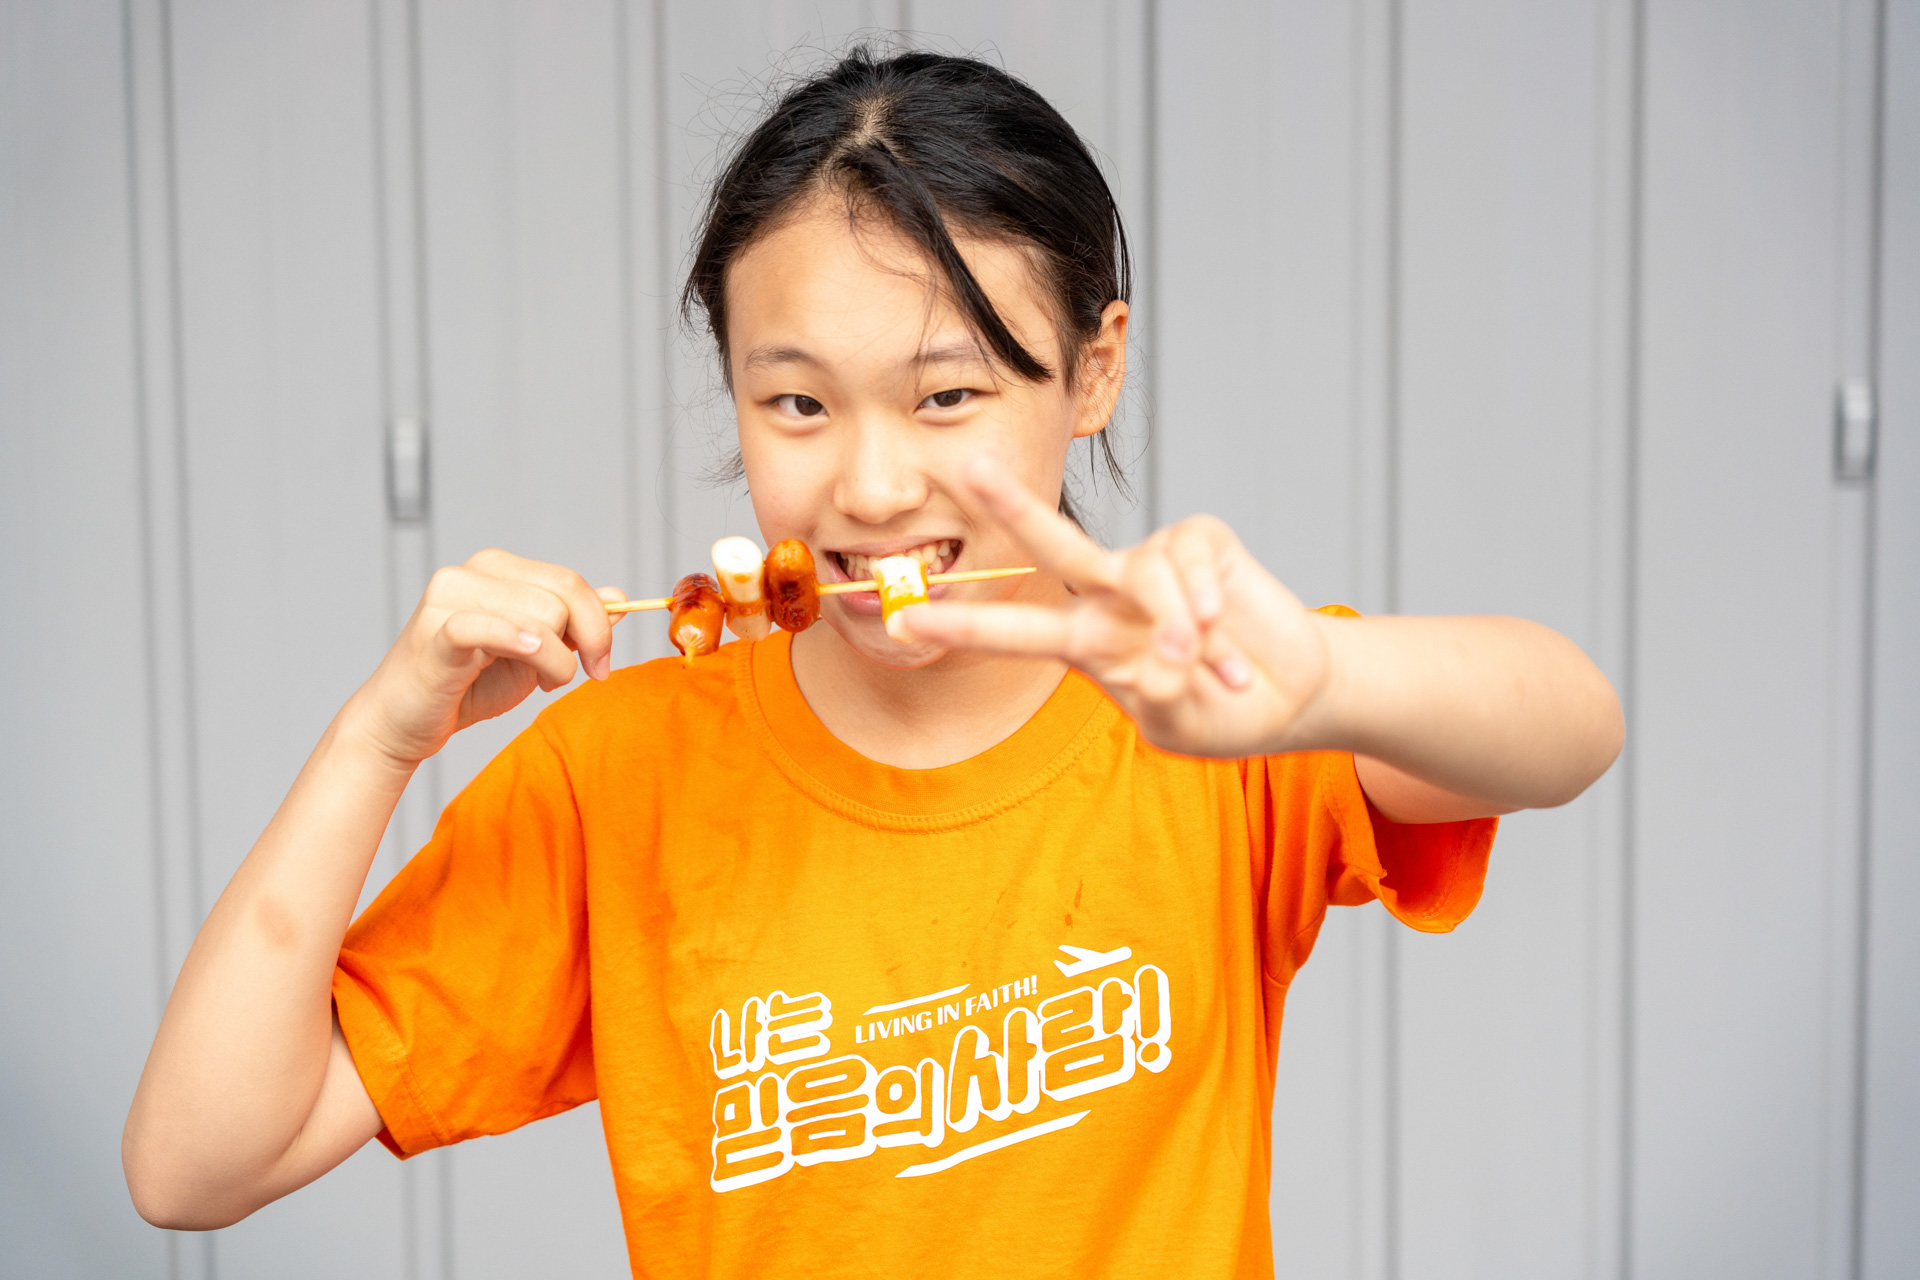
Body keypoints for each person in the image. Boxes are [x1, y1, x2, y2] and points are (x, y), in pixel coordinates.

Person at [123, 47, 1622, 1278]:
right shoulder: (616, 777)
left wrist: (1327, 688)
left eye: (946, 394)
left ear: (1093, 371)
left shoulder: (1213, 704)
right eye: (796, 404)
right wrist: (378, 738)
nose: (873, 484)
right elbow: (194, 1165)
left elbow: (1577, 729)